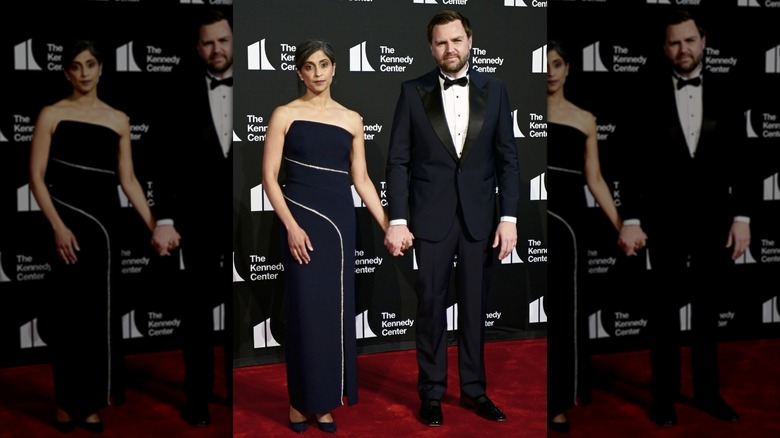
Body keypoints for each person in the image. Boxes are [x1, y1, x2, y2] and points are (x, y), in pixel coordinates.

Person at [384, 10, 521, 427]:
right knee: (430, 307)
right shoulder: (412, 91)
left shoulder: (495, 90)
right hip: (430, 219)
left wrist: (510, 217)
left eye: (456, 40)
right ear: (431, 47)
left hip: (481, 220)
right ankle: (431, 393)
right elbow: (398, 162)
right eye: (442, 42)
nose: (450, 49)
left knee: (476, 309)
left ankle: (475, 390)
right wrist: (398, 219)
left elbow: (508, 161)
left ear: (470, 40)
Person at [616, 8, 751, 427]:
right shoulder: (644, 92)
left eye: (689, 40)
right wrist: (632, 217)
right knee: (664, 315)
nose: (683, 49)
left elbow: (741, 159)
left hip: (715, 221)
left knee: (709, 313)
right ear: (664, 48)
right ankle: (663, 398)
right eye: (675, 42)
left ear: (703, 42)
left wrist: (743, 216)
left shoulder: (728, 90)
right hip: (663, 221)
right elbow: (630, 162)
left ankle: (708, 394)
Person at [29, 38, 156, 433]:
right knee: (68, 318)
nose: (84, 73)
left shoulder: (118, 119)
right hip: (66, 228)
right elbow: (35, 177)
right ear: (67, 72)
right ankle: (66, 402)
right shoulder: (52, 113)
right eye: (76, 66)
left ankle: (91, 400)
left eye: (90, 64)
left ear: (101, 68)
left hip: (104, 231)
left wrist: (156, 226)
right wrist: (58, 227)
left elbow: (129, 179)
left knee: (98, 319)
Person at [261, 39, 389, 434]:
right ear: (298, 72)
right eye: (308, 66)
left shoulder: (352, 119)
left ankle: (326, 400)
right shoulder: (285, 113)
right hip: (300, 224)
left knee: (334, 315)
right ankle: (300, 402)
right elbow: (269, 178)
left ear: (335, 68)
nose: (317, 73)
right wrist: (292, 227)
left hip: (339, 227)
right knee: (303, 314)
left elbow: (362, 179)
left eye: (323, 65)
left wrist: (389, 225)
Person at [149, 8, 233, 427]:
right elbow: (162, 161)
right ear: (197, 47)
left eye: (223, 39)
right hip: (196, 222)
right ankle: (197, 398)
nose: (216, 49)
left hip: (244, 219)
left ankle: (241, 391)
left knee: (244, 312)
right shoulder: (177, 90)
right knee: (197, 316)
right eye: (207, 42)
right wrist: (163, 218)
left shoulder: (260, 87)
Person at [545, 40, 628, 434]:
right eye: (544, 65)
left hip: (571, 225)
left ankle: (560, 399)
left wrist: (621, 225)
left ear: (568, 68)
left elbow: (594, 179)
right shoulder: (525, 111)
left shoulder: (584, 119)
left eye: (557, 64)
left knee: (566, 313)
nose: (550, 72)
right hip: (533, 218)